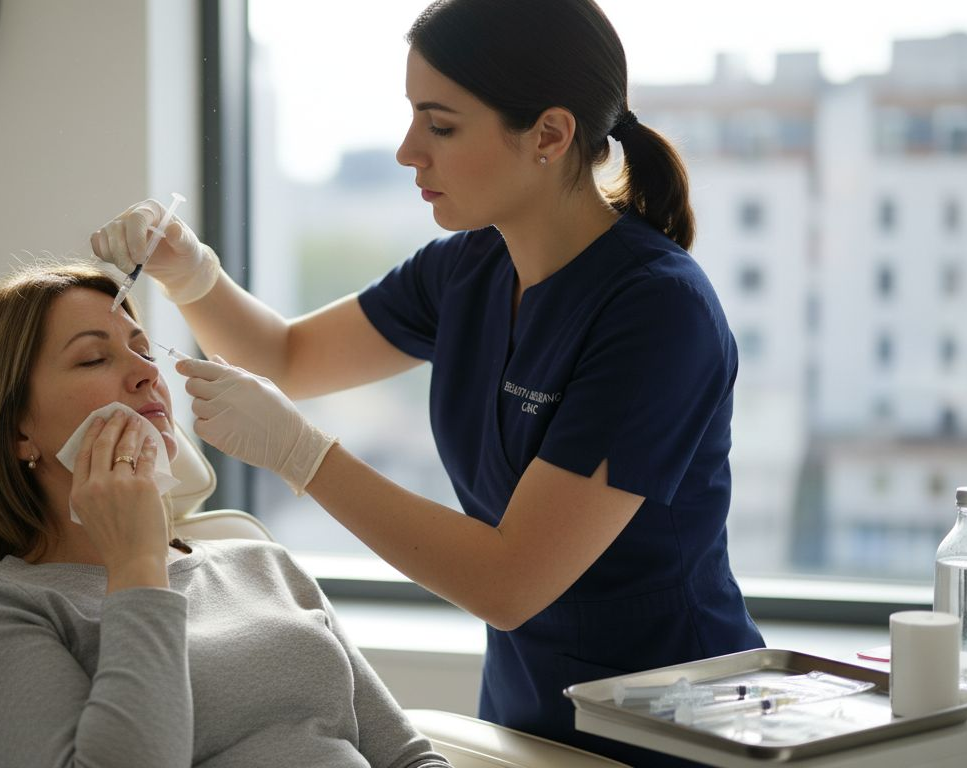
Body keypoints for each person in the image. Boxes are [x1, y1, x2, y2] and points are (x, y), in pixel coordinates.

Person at [90, 1, 765, 765]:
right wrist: (190, 271)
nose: (410, 151)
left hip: (670, 730)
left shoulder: (656, 312)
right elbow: (286, 357)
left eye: (440, 126)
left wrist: (302, 456)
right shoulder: (470, 267)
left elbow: (509, 581)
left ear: (549, 134)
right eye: (413, 118)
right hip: (524, 721)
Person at [0, 263, 451, 768]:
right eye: (93, 359)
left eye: (143, 349)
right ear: (18, 431)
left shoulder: (263, 564)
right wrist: (135, 565)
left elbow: (409, 758)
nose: (147, 372)